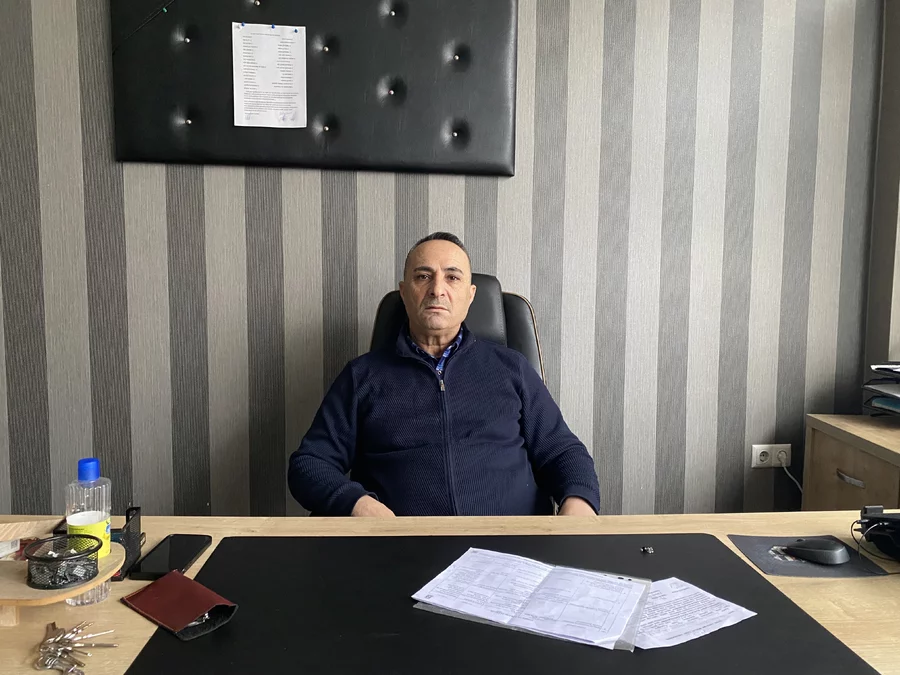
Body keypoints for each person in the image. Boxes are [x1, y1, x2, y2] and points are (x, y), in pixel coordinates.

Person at [288, 232, 600, 517]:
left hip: (509, 545)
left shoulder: (512, 368)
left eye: (452, 277)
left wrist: (578, 504)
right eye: (423, 276)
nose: (437, 289)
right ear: (404, 292)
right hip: (401, 548)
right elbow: (310, 464)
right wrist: (358, 504)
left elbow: (564, 452)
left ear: (470, 295)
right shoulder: (362, 377)